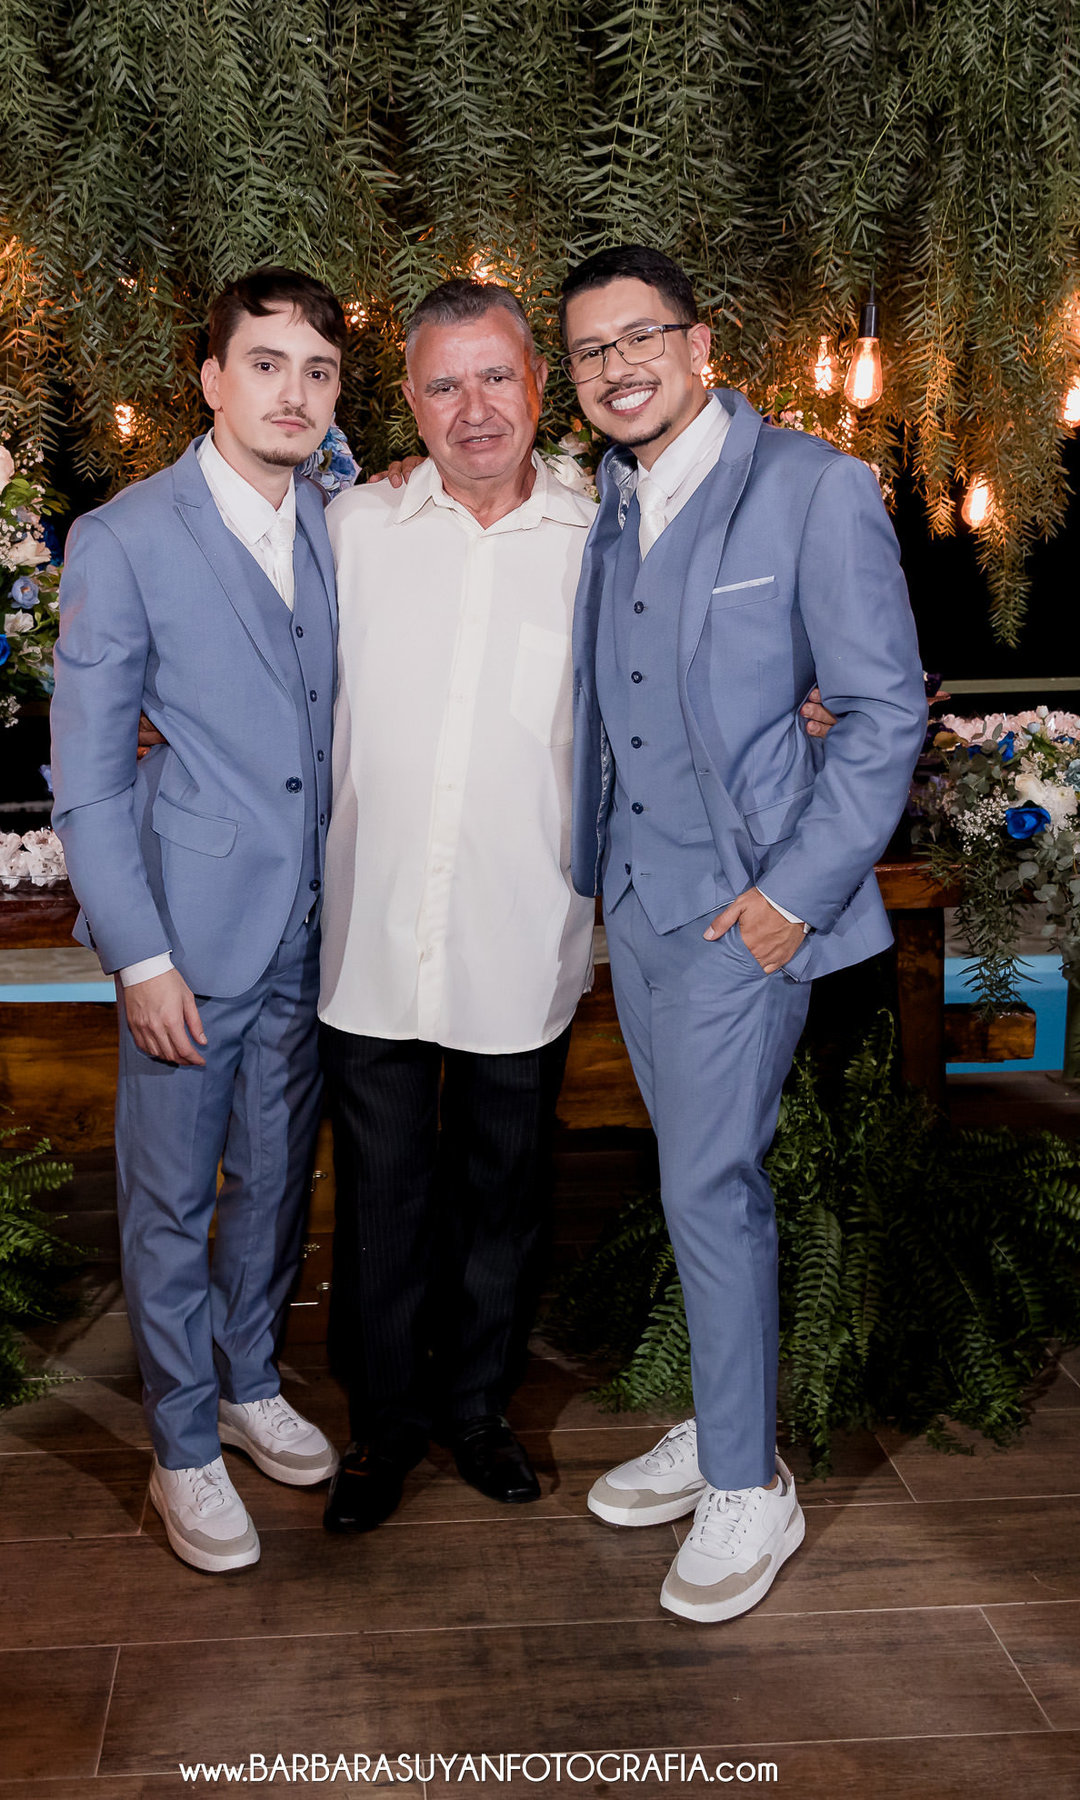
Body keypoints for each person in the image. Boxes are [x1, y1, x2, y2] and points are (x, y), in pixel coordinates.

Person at [314, 278, 837, 1535]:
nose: (473, 409)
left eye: (497, 377)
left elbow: (713, 662)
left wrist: (808, 700)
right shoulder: (350, 526)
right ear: (410, 405)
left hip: (527, 916)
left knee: (506, 1186)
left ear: (540, 388)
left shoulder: (604, 531)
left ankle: (479, 1410)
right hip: (373, 919)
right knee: (378, 1194)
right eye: (443, 385)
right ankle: (382, 1427)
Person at [559, 245, 926, 1622]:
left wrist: (793, 896)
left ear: (702, 344)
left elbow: (883, 710)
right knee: (688, 1175)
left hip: (742, 910)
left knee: (711, 1183)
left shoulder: (813, 487)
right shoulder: (610, 501)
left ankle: (746, 1488)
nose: (616, 368)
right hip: (639, 900)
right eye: (589, 351)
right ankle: (727, 1424)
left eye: (640, 336)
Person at [51, 268, 341, 1574]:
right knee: (171, 1197)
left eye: (317, 372)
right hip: (188, 930)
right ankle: (179, 1445)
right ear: (213, 380)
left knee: (274, 1177)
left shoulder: (342, 518)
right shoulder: (124, 538)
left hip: (316, 925)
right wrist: (140, 957)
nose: (293, 393)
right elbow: (86, 778)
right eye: (266, 365)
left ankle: (247, 1379)